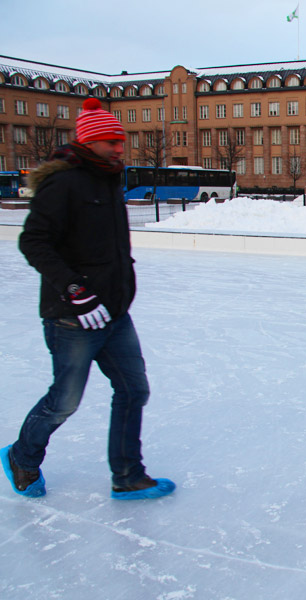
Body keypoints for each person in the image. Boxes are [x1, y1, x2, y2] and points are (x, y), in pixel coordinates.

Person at [2, 98, 175, 500]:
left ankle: (128, 475)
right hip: (72, 319)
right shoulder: (63, 184)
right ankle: (21, 458)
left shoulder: (108, 179)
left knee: (134, 391)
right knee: (63, 402)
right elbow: (34, 242)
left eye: (121, 140)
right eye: (111, 141)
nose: (119, 148)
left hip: (114, 314)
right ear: (89, 142)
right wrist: (76, 291)